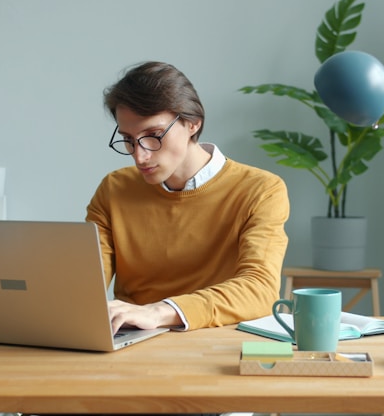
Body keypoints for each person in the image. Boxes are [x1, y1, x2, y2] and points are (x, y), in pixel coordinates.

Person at [87, 61, 290, 335]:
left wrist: (158, 311)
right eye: (129, 139)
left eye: (154, 136)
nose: (140, 155)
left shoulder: (260, 190)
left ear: (193, 123)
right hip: (130, 342)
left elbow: (260, 290)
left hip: (213, 343)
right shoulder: (114, 189)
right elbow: (86, 284)